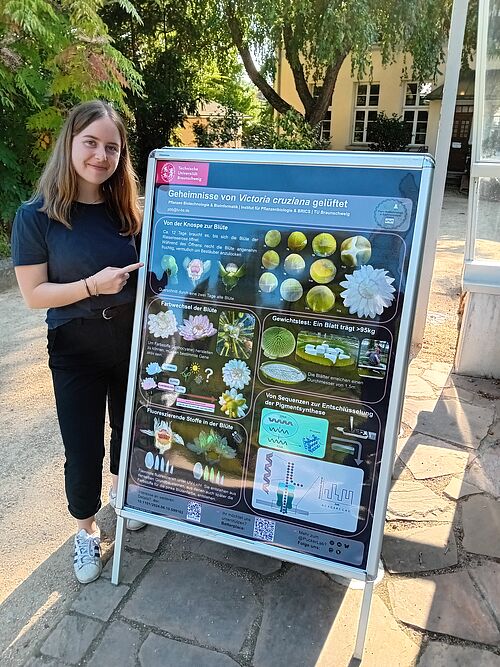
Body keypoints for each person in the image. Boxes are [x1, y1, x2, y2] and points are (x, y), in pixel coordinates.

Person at [11, 100, 145, 585]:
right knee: (81, 444)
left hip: (131, 338)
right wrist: (91, 285)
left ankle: (123, 497)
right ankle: (86, 531)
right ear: (69, 143)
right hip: (75, 345)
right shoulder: (37, 216)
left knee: (128, 430)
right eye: (91, 143)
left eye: (112, 147)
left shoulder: (127, 209)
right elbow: (33, 294)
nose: (101, 156)